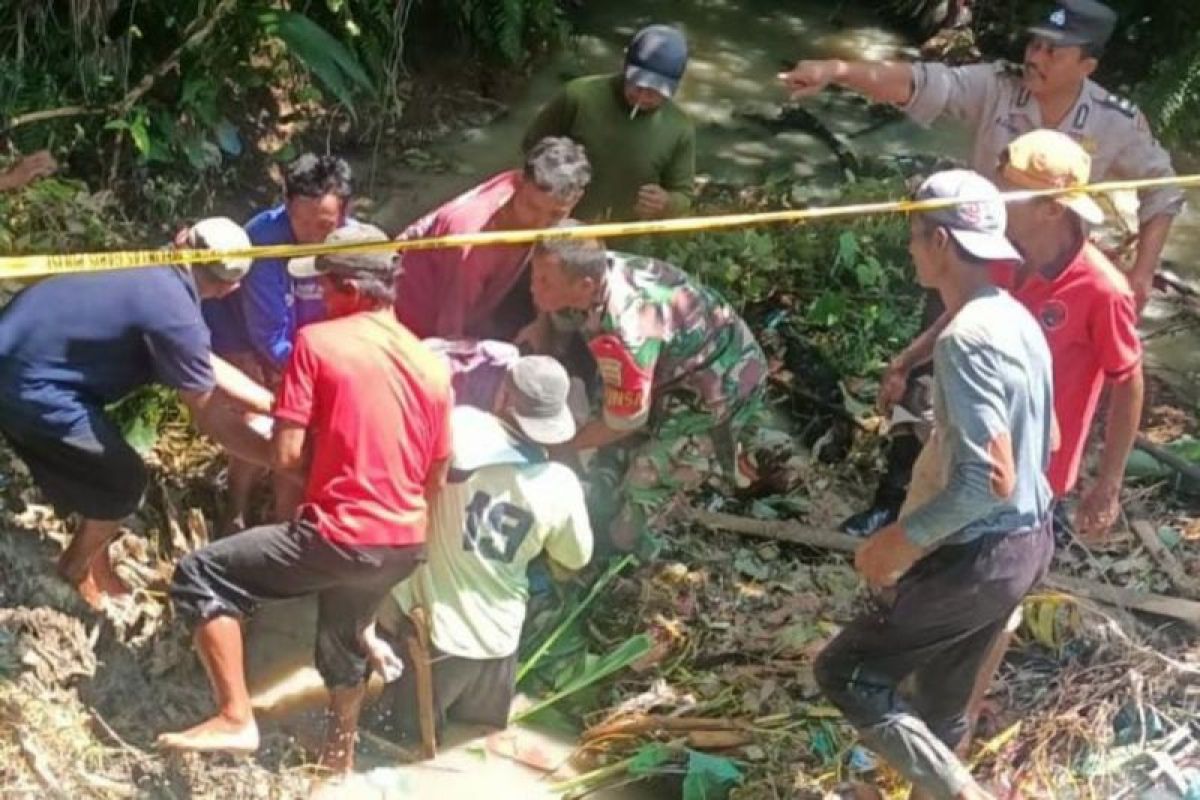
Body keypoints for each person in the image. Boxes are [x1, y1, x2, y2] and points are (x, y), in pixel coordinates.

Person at [782, 0, 1181, 536]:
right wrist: (838, 72)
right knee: (927, 381)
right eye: (1035, 43)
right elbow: (917, 83)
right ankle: (895, 496)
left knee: (1035, 395)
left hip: (1047, 275)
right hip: (974, 260)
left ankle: (1023, 508)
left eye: (1053, 51)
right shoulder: (996, 87)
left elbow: (1164, 190)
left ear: (1087, 66)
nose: (1035, 56)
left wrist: (1140, 270)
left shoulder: (1115, 122)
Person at [159, 226, 453, 774]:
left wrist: (225, 428)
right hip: (405, 542)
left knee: (201, 575)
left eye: (324, 287)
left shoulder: (318, 344)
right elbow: (434, 475)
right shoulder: (432, 365)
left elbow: (288, 456)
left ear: (349, 289)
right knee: (342, 639)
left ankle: (234, 715)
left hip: (340, 532)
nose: (320, 298)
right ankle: (337, 760)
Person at [815, 170, 1055, 800]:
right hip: (1029, 543)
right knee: (942, 703)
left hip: (978, 554)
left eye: (915, 237)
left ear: (942, 242)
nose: (910, 249)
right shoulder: (1013, 318)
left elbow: (987, 480)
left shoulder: (967, 341)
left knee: (847, 672)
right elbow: (1045, 443)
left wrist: (904, 538)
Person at [0, 218, 275, 609]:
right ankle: (74, 570)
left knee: (101, 466)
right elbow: (210, 417)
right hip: (31, 385)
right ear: (232, 287)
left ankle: (98, 559)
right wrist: (277, 457)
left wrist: (270, 403)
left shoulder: (147, 265)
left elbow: (201, 362)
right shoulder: (178, 316)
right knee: (122, 482)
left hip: (15, 348)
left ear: (182, 239)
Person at [373, 356, 593, 743]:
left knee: (391, 741)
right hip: (499, 644)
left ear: (503, 394)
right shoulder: (561, 484)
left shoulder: (462, 428)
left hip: (434, 637)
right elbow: (574, 560)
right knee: (474, 741)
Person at [523, 234, 767, 552]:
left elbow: (626, 420)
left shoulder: (628, 328)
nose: (533, 286)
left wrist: (562, 446)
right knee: (606, 445)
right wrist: (541, 323)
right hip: (670, 368)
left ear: (584, 286)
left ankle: (631, 554)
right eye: (535, 274)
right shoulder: (587, 264)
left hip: (718, 388)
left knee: (645, 480)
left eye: (545, 282)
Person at [202, 153, 354, 533]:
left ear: (345, 213)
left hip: (311, 344)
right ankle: (235, 507)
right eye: (299, 221)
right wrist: (307, 381)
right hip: (244, 333)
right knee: (263, 417)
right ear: (286, 204)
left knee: (313, 425)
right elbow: (268, 336)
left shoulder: (355, 245)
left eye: (323, 225)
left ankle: (287, 523)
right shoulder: (264, 240)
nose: (309, 235)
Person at [394, 137, 590, 341]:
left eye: (556, 215)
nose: (540, 224)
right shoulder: (471, 242)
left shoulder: (521, 187)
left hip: (472, 306)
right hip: (414, 326)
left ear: (577, 199)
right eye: (532, 208)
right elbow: (449, 334)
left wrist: (541, 323)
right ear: (520, 183)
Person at [523, 24, 695, 222]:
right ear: (625, 67)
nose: (642, 97)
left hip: (623, 236)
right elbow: (532, 148)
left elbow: (683, 195)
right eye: (636, 85)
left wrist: (666, 203)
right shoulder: (578, 97)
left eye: (654, 92)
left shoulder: (680, 129)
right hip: (556, 221)